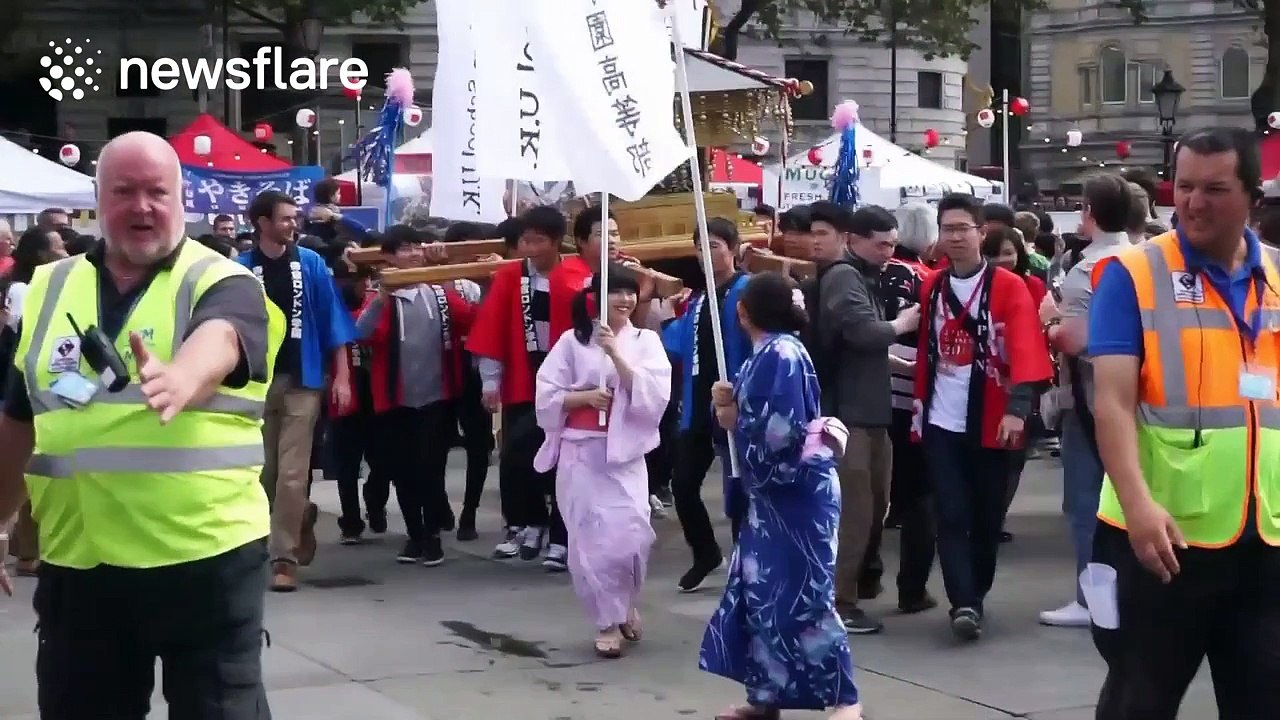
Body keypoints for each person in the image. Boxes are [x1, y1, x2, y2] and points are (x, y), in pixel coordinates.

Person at [0, 131, 281, 718]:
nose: (142, 206)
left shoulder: (224, 279)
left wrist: (183, 376)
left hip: (204, 560)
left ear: (181, 198)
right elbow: (20, 418)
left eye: (157, 192)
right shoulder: (50, 287)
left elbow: (223, 336)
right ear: (98, 199)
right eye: (124, 191)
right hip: (81, 563)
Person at [1088, 127, 1280, 719]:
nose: (1194, 203)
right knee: (1139, 701)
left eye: (1214, 189)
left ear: (1252, 196)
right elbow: (1112, 402)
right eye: (1186, 186)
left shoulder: (1277, 276)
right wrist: (1138, 506)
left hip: (1264, 537)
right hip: (1162, 537)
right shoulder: (1133, 273)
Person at [700, 272, 861, 720]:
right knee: (762, 596)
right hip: (771, 495)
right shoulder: (768, 354)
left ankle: (846, 699)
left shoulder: (782, 353)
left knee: (807, 597)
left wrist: (735, 418)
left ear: (743, 311)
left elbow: (781, 433)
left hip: (796, 490)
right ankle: (765, 696)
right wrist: (726, 406)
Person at [912, 193, 1053, 641]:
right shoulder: (932, 285)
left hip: (993, 417)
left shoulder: (1008, 286)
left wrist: (1017, 409)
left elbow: (1027, 347)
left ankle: (976, 592)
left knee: (988, 517)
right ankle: (964, 603)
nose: (954, 237)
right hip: (941, 418)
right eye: (947, 229)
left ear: (980, 232)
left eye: (962, 228)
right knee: (950, 513)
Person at [533, 265, 671, 657]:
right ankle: (607, 621)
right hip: (582, 452)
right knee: (591, 542)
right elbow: (546, 394)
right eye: (617, 292)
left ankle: (624, 602)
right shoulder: (571, 342)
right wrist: (583, 398)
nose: (625, 300)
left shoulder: (645, 340)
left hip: (625, 455)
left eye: (631, 292)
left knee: (632, 535)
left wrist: (615, 354)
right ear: (597, 297)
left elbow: (655, 395)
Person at [803, 201, 921, 634]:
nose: (889, 252)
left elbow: (858, 346)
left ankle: (850, 591)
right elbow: (861, 332)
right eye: (881, 244)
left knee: (873, 507)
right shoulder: (845, 276)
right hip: (847, 414)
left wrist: (901, 365)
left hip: (867, 411)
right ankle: (838, 600)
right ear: (854, 240)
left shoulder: (860, 275)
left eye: (892, 244)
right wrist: (902, 324)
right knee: (854, 513)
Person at [240, 190, 357, 592]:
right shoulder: (239, 269)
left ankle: (283, 558)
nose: (293, 224)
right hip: (256, 384)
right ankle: (297, 516)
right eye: (285, 218)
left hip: (303, 380)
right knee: (263, 473)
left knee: (292, 475)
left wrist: (342, 376)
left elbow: (332, 321)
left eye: (295, 217)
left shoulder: (311, 264)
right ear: (262, 223)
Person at [1035, 174, 1135, 628]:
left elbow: (1074, 339)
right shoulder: (1144, 258)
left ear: (1089, 212)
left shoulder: (1087, 269)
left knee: (1085, 504)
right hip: (1139, 398)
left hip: (1090, 398)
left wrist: (1049, 322)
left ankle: (1090, 599)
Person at [356, 229, 475, 566]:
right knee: (402, 471)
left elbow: (471, 318)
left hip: (437, 396)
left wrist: (448, 275)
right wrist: (381, 297)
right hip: (395, 399)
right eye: (405, 248)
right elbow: (361, 334)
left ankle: (433, 535)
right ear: (389, 257)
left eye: (417, 248)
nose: (413, 254)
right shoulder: (381, 297)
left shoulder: (438, 293)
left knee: (431, 468)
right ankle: (415, 535)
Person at [469, 206, 567, 564]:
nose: (530, 248)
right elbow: (492, 327)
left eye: (539, 240)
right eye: (526, 240)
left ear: (557, 242)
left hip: (568, 385)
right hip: (523, 380)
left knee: (564, 463)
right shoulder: (511, 276)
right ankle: (531, 521)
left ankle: (561, 535)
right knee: (517, 456)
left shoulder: (575, 274)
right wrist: (490, 381)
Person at [662, 218, 752, 593]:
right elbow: (677, 345)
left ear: (734, 249)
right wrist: (665, 314)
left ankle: (746, 565)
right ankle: (705, 553)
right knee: (683, 485)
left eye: (714, 246)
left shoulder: (748, 289)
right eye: (700, 247)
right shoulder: (699, 299)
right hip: (699, 404)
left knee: (740, 489)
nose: (705, 254)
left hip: (737, 403)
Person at [882, 201, 938, 613]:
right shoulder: (926, 279)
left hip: (871, 391)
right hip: (911, 387)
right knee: (920, 490)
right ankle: (912, 587)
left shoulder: (872, 274)